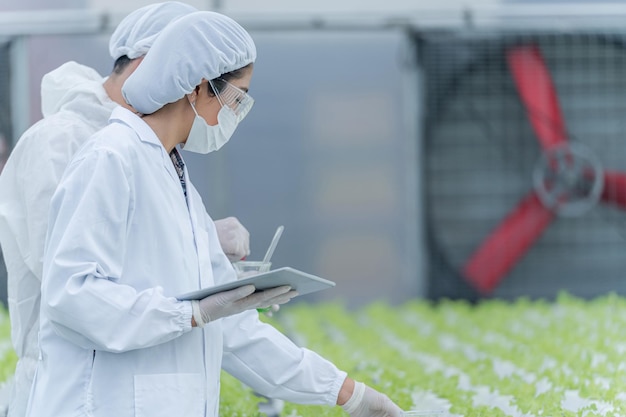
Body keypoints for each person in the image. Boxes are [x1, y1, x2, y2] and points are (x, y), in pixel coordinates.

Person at [25, 9, 404, 417]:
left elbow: (236, 332)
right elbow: (71, 297)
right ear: (199, 87)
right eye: (237, 97)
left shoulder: (172, 173)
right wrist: (188, 312)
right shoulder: (110, 158)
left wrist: (350, 395)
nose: (236, 114)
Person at [0, 3, 252, 417]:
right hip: (73, 385)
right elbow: (75, 280)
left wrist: (214, 272)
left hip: (135, 379)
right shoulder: (62, 142)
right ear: (151, 63)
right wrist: (193, 275)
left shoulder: (156, 152)